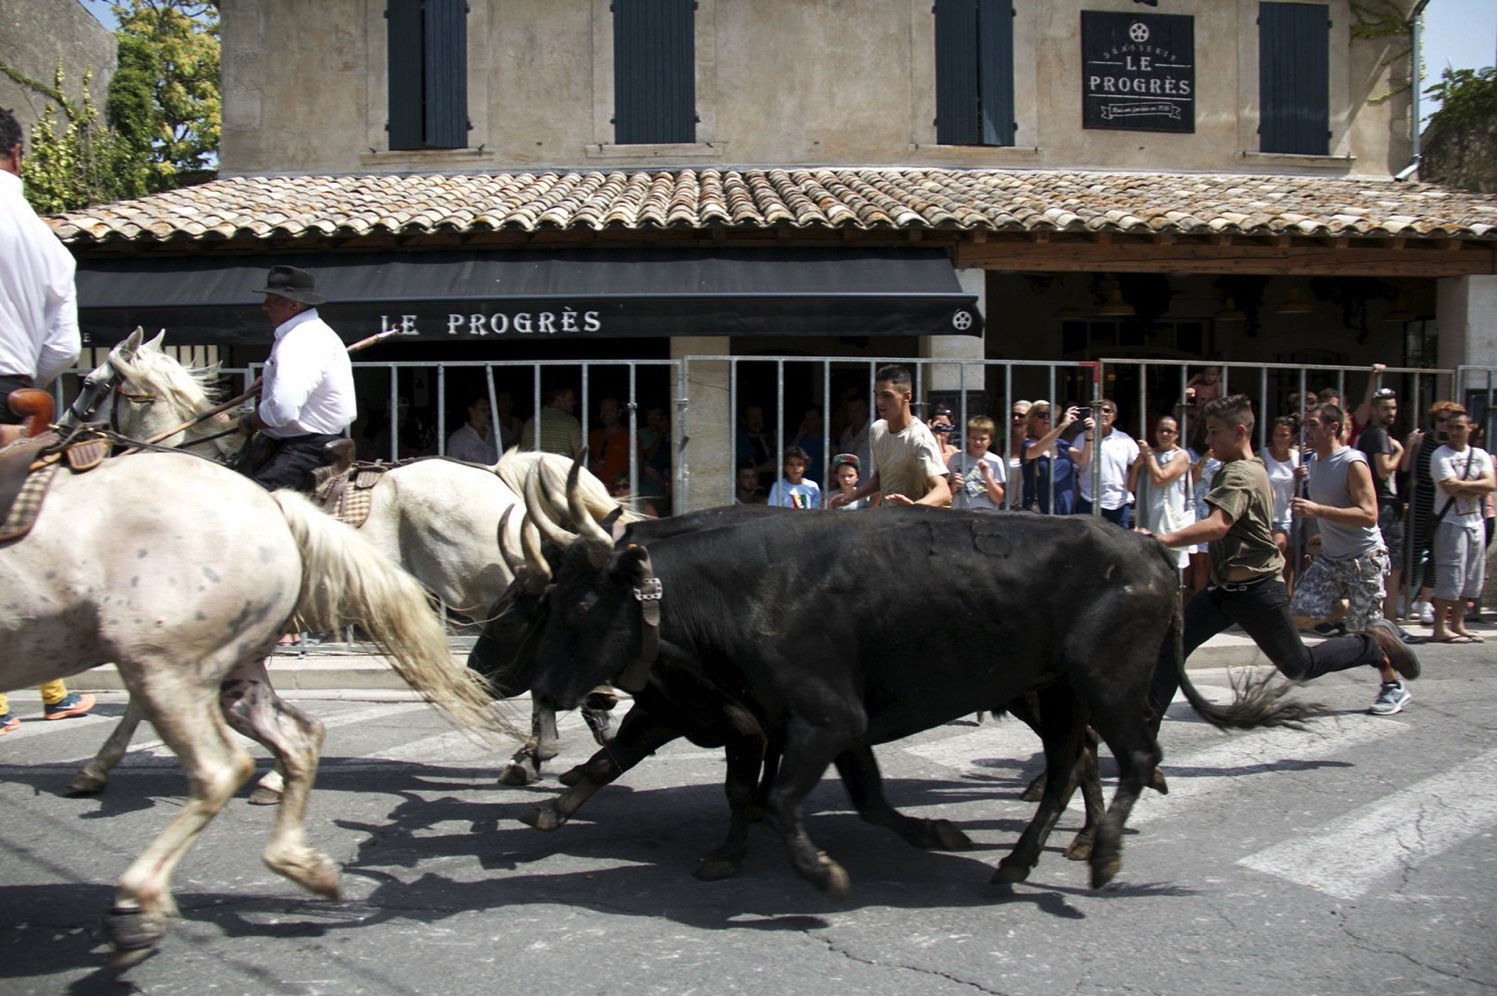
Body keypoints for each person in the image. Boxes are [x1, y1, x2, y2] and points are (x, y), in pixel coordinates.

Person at [1142, 395, 1421, 726]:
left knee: (1299, 665)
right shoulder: (1251, 466)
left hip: (1256, 590)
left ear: (1240, 431)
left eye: (1215, 432)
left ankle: (1370, 645)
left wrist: (1160, 539)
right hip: (1223, 591)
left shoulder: (1241, 473)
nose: (1208, 440)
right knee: (1171, 649)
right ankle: (1142, 741)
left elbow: (1218, 525)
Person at [0, 106, 91, 730]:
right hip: (17, 398)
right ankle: (49, 691)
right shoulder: (46, 241)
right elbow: (62, 348)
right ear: (17, 155)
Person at [1287, 402, 1419, 714]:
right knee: (1301, 611)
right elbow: (1338, 509)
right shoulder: (1315, 464)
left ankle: (1393, 685)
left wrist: (1317, 511)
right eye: (1306, 423)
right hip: (1332, 558)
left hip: (1364, 558)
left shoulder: (1352, 462)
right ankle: (1368, 618)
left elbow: (1368, 514)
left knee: (1364, 634)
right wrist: (1323, 532)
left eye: (1314, 424)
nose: (1307, 429)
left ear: (1334, 427)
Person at [238, 265, 357, 491]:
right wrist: (270, 382)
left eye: (272, 300)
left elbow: (283, 409)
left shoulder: (300, 341)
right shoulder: (305, 334)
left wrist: (249, 421)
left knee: (248, 506)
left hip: (305, 449)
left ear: (293, 304)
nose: (264, 307)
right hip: (293, 442)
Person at [828, 364, 951, 508]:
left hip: (916, 525)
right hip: (889, 521)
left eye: (887, 396)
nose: (879, 402)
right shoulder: (877, 430)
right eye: (876, 395)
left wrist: (914, 508)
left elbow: (943, 491)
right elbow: (881, 477)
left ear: (907, 396)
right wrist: (850, 497)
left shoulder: (919, 437)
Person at [1428, 410, 1494, 643]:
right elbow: (1449, 488)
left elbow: (1489, 484)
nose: (1455, 432)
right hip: (1450, 521)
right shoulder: (1440, 455)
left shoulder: (1480, 454)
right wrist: (1474, 486)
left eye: (1459, 427)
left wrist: (1463, 484)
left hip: (1476, 520)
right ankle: (1439, 627)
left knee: (1471, 575)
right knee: (1450, 573)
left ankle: (1458, 623)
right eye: (1451, 427)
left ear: (1469, 428)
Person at [1355, 387, 1416, 638]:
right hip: (1383, 506)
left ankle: (1379, 620)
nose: (1391, 412)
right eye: (1385, 408)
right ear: (1374, 410)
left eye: (1393, 408)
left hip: (1381, 504)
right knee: (1392, 564)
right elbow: (1383, 470)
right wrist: (1402, 450)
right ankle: (1389, 622)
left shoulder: (1373, 434)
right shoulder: (1378, 434)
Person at [1404, 400, 1466, 626]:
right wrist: (1410, 445)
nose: (1445, 425)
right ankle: (1407, 595)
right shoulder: (1424, 441)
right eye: (1441, 420)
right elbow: (1405, 469)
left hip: (1443, 504)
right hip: (1420, 501)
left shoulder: (1455, 449)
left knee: (1436, 555)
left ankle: (1424, 600)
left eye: (1450, 421)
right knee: (1413, 550)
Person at [1130, 415, 1193, 574]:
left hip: (1169, 518)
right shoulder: (1149, 454)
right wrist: (1137, 464)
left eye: (1169, 431)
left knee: (1170, 565)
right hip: (1148, 515)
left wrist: (1149, 456)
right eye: (1161, 430)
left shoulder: (1181, 455)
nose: (1165, 434)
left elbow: (1161, 478)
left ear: (1177, 434)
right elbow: (1131, 486)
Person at [1071, 398, 1138, 527]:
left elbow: (1136, 465)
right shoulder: (1081, 438)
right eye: (1098, 410)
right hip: (1088, 500)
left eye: (1107, 410)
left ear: (1115, 415)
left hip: (1118, 502)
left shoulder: (1124, 439)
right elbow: (1075, 470)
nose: (1102, 414)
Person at [1021, 400, 1081, 515]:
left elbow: (1083, 459)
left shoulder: (1061, 444)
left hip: (1065, 507)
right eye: (1041, 415)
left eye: (1050, 415)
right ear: (1031, 420)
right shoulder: (1027, 444)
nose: (1046, 418)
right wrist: (1063, 426)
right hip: (1039, 511)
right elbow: (1036, 450)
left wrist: (1089, 436)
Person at [947, 415, 1005, 512]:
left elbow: (998, 499)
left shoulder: (995, 461)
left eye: (982, 439)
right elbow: (946, 492)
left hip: (986, 514)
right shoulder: (955, 459)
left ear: (990, 441)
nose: (978, 442)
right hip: (959, 513)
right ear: (967, 438)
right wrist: (953, 486)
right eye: (974, 438)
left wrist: (987, 477)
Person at [521, 383, 583, 458]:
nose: (574, 402)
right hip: (561, 469)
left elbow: (523, 454)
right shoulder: (570, 421)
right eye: (570, 398)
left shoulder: (530, 423)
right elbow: (580, 454)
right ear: (559, 399)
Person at [588, 397, 635, 486]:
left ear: (619, 412)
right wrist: (590, 466)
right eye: (603, 410)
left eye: (610, 410)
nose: (606, 413)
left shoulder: (629, 436)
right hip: (596, 491)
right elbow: (585, 461)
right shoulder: (594, 435)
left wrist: (627, 490)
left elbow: (638, 467)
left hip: (620, 494)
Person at [447, 392, 500, 465]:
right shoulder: (458, 439)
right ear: (471, 411)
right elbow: (452, 467)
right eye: (483, 409)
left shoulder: (495, 434)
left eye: (488, 409)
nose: (488, 412)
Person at [735, 404, 777, 490]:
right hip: (750, 493)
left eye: (759, 416)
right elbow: (740, 472)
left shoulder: (765, 438)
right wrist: (763, 468)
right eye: (752, 417)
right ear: (744, 420)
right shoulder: (741, 440)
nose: (757, 421)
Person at [836, 389, 873, 480]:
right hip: (849, 488)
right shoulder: (846, 435)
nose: (854, 413)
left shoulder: (875, 430)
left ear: (866, 410)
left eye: (858, 409)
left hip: (870, 487)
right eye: (850, 410)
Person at [1005, 400, 1031, 510]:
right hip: (1005, 505)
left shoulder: (1037, 445)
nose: (1016, 419)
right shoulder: (1002, 444)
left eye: (1021, 416)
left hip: (1029, 506)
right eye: (1012, 415)